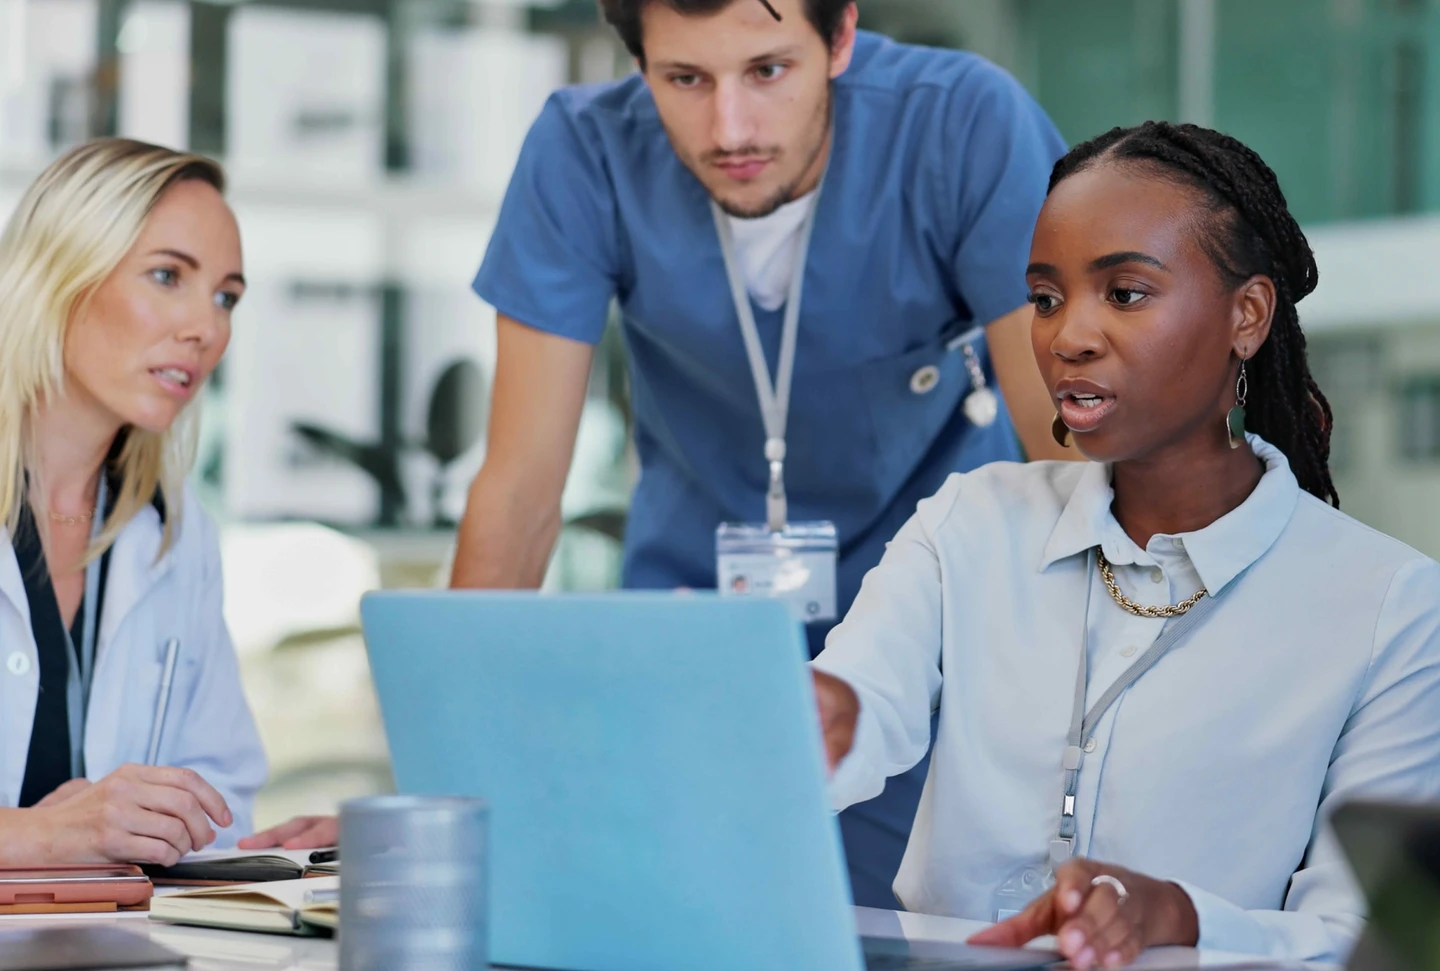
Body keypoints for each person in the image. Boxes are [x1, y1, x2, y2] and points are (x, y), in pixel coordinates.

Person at [430, 0, 1071, 906]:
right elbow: (522, 490)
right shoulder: (584, 153)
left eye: (767, 70)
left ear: (840, 36)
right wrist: (446, 784)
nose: (729, 128)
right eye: (684, 79)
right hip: (695, 663)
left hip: (935, 665)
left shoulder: (962, 126)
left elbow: (1069, 455)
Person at [808, 119, 1440, 966]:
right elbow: (847, 714)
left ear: (1246, 315)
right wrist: (786, 724)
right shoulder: (971, 523)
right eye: (1044, 297)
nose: (1069, 335)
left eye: (1126, 293)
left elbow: (1366, 936)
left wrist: (1178, 913)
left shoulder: (1388, 606)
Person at [0, 138, 266, 866]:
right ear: (60, 273)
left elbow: (223, 793)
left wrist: (278, 847)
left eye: (225, 297)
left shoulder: (175, 536)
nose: (207, 329)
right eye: (166, 275)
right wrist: (30, 835)